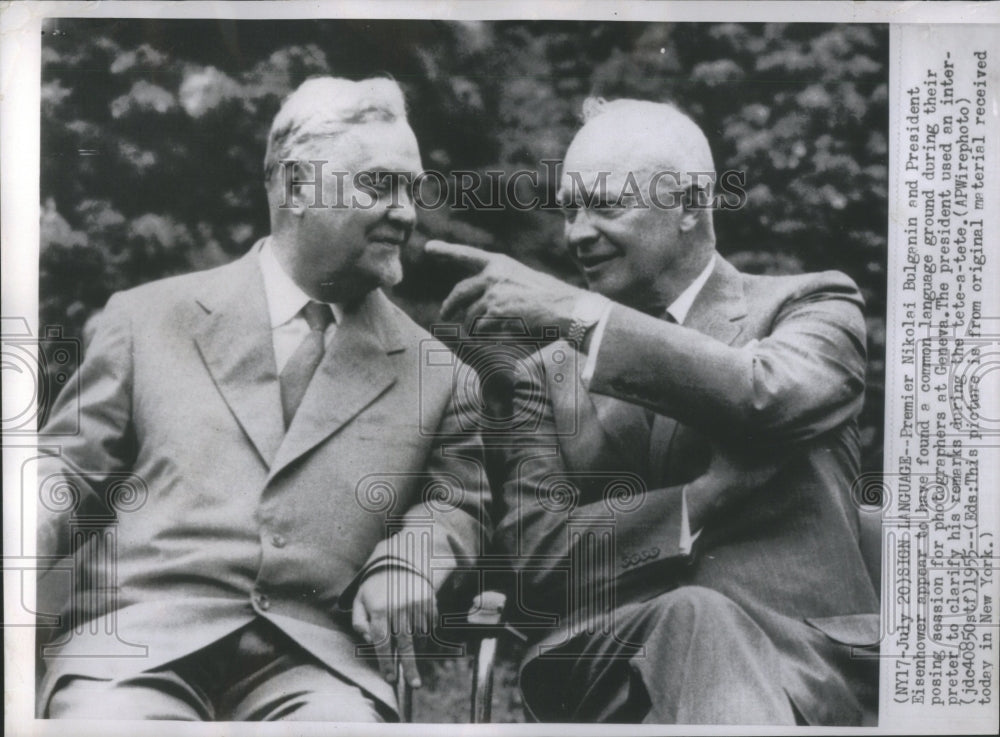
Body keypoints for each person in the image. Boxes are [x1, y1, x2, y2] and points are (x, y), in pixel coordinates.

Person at [35, 76, 489, 722]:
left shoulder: (439, 374)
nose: (407, 212)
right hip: (136, 650)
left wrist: (410, 561)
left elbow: (455, 505)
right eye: (380, 185)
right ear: (298, 187)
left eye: (412, 189)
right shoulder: (146, 319)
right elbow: (64, 470)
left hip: (313, 665)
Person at [427, 98, 879, 725]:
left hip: (808, 663)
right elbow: (536, 557)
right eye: (570, 209)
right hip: (614, 664)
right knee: (697, 618)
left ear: (690, 205)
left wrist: (578, 316)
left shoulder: (811, 307)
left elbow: (768, 393)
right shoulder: (540, 378)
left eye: (607, 205)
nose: (577, 232)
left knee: (705, 623)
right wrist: (698, 503)